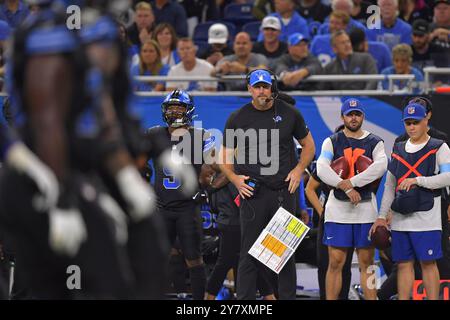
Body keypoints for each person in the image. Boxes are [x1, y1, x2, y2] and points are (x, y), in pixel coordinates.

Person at [219, 69, 315, 300]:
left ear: (272, 88)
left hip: (284, 191)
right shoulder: (238, 117)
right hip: (253, 192)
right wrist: (234, 179)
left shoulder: (290, 113)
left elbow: (309, 146)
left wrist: (298, 170)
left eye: (266, 86)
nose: (262, 90)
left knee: (283, 254)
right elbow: (224, 157)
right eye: (257, 86)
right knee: (249, 253)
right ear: (249, 89)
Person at [371, 102, 450, 300]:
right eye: (408, 123)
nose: (412, 126)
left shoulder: (439, 147)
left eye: (416, 122)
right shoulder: (397, 148)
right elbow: (390, 185)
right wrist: (381, 216)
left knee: (428, 263)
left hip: (427, 217)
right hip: (400, 218)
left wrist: (417, 180)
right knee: (404, 264)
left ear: (426, 121)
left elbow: (448, 177)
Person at [146, 89, 214, 300]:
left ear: (188, 110)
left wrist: (207, 188)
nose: (174, 112)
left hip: (187, 207)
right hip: (161, 206)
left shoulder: (201, 136)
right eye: (171, 108)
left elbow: (215, 166)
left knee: (194, 258)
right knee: (159, 257)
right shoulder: (155, 134)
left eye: (179, 108)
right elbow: (137, 161)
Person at [316, 98, 388, 300]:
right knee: (335, 262)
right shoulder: (332, 141)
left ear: (363, 116)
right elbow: (321, 168)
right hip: (338, 209)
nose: (353, 118)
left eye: (357, 114)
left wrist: (352, 182)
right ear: (342, 117)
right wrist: (345, 188)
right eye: (350, 114)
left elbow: (381, 166)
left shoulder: (375, 141)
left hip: (365, 209)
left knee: (368, 263)